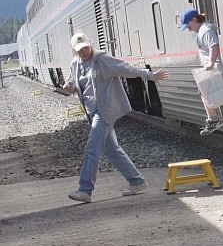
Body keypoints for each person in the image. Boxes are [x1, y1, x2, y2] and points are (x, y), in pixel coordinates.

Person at [63, 32, 169, 203]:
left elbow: (126, 68)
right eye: (80, 50)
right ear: (74, 51)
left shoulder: (102, 59)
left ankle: (85, 189)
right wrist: (70, 87)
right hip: (91, 112)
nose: (84, 52)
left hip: (105, 110)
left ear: (91, 45)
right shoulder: (76, 63)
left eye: (86, 48)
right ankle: (137, 181)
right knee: (111, 150)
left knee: (92, 149)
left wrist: (150, 75)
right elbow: (76, 84)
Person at [179, 9, 223, 135]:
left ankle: (216, 118)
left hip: (214, 68)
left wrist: (211, 63)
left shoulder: (205, 30)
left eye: (189, 26)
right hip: (212, 68)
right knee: (212, 93)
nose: (189, 30)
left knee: (209, 92)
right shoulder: (203, 29)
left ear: (195, 20)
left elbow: (214, 45)